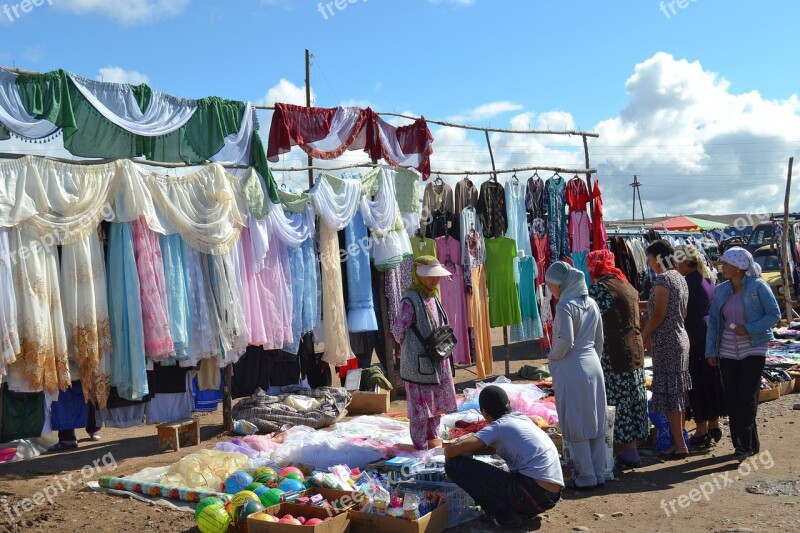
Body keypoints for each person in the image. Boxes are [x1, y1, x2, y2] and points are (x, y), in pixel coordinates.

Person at [444, 385, 563, 529]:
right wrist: (470, 450)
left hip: (532, 494)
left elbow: (450, 452)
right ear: (509, 405)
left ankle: (504, 515)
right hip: (550, 497)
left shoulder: (498, 426)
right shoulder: (521, 419)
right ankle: (515, 511)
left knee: (453, 465)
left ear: (485, 413)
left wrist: (460, 449)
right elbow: (493, 448)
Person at [706, 247, 780, 461]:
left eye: (726, 263)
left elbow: (774, 314)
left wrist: (748, 328)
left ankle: (742, 446)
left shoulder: (758, 287)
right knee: (733, 398)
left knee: (746, 397)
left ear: (738, 267)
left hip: (754, 348)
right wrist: (711, 350)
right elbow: (713, 322)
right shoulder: (721, 290)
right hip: (727, 351)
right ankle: (750, 444)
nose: (723, 267)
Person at [544, 261, 607, 490]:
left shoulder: (564, 306)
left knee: (576, 420)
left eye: (551, 285)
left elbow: (565, 340)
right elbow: (599, 340)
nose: (550, 289)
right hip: (593, 365)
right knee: (595, 419)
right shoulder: (591, 303)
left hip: (572, 367)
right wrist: (593, 361)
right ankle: (600, 472)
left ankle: (587, 475)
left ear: (560, 285)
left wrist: (553, 357)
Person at [586, 250, 649, 468]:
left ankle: (622, 452)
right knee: (633, 397)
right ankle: (631, 450)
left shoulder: (599, 289)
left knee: (616, 401)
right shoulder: (626, 284)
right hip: (634, 347)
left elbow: (590, 321)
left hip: (614, 351)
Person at [391, 255, 458, 450]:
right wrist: (413, 346)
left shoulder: (432, 295)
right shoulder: (410, 300)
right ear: (418, 275)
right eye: (430, 276)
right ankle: (420, 445)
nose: (434, 279)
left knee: (435, 405)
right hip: (418, 363)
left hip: (435, 359)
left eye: (436, 276)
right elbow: (397, 330)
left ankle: (432, 439)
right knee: (420, 408)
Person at [640, 239, 691, 459]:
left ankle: (679, 444)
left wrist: (644, 334)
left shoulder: (662, 280)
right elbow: (674, 310)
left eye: (650, 258)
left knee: (671, 396)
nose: (649, 263)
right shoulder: (679, 277)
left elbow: (659, 313)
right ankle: (679, 442)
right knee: (677, 394)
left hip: (667, 342)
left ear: (658, 258)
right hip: (679, 338)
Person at [675, 244, 724, 448]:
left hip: (694, 337)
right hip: (709, 335)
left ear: (686, 262)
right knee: (711, 382)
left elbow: (681, 311)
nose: (676, 266)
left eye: (677, 262)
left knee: (698, 385)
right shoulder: (709, 278)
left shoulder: (688, 283)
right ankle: (713, 425)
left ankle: (702, 430)